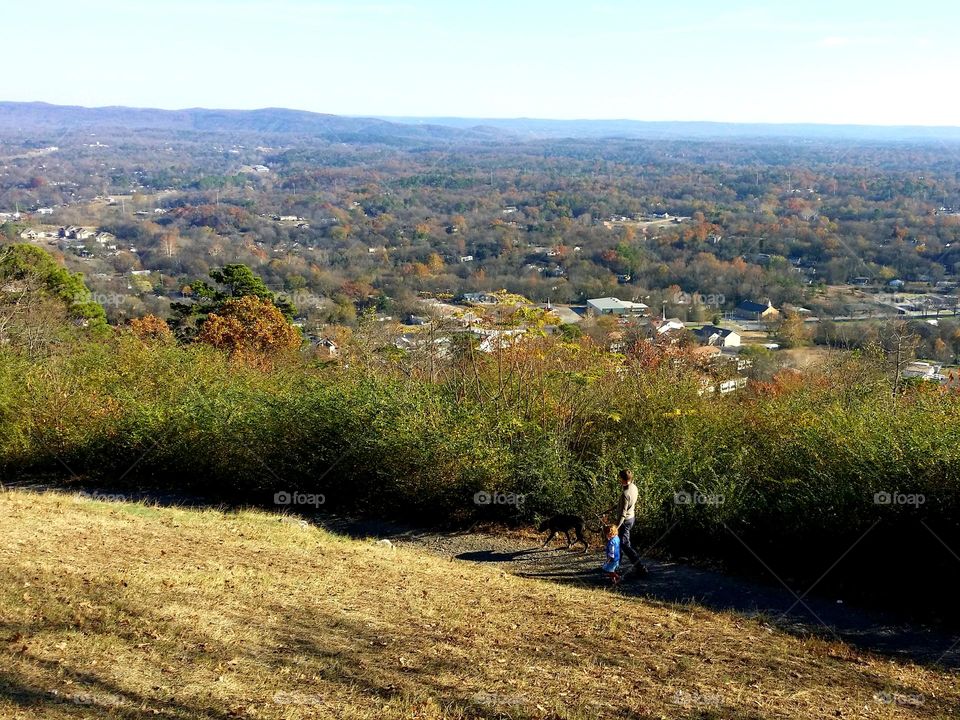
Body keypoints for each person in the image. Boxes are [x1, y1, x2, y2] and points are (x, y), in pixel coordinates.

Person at [613, 468, 648, 575]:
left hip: (624, 521)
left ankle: (641, 567)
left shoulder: (625, 493)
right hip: (631, 518)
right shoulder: (633, 487)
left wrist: (616, 528)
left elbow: (623, 514)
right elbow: (626, 504)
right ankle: (615, 566)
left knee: (625, 545)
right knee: (619, 543)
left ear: (622, 479)